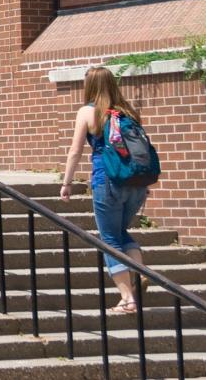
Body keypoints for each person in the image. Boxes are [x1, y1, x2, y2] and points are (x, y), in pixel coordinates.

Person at [59, 66, 149, 315]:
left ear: (89, 86)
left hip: (107, 181)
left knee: (109, 239)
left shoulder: (88, 112)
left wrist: (67, 183)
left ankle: (128, 299)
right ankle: (136, 276)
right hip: (136, 184)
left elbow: (76, 150)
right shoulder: (127, 111)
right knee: (120, 232)